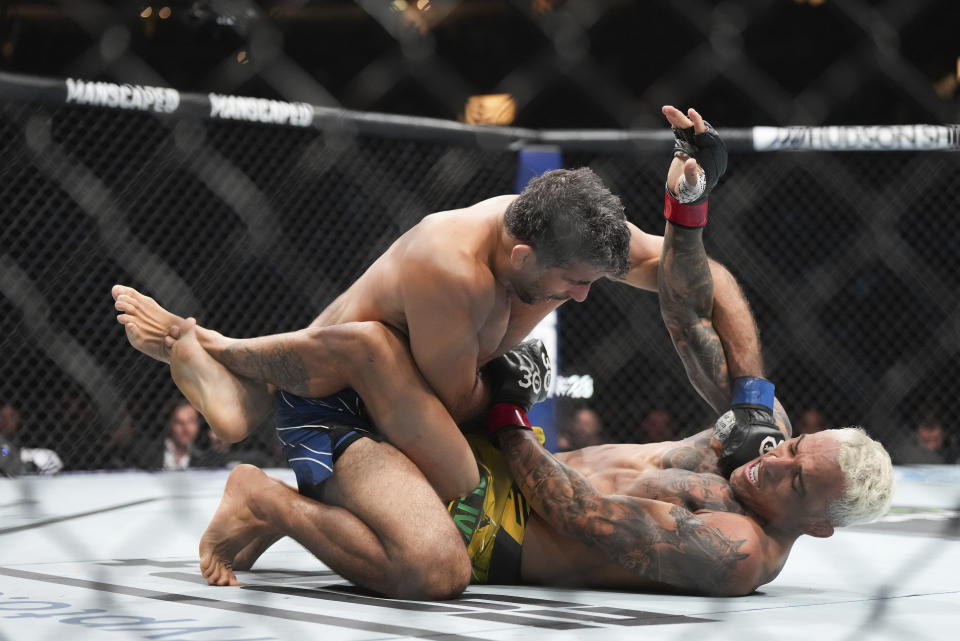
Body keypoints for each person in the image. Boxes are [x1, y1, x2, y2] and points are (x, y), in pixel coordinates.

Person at [114, 107, 778, 596]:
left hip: (422, 413)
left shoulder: (574, 239)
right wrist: (509, 394)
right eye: (574, 283)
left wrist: (748, 392)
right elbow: (449, 405)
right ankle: (265, 496)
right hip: (347, 412)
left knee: (549, 481)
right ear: (523, 256)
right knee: (436, 569)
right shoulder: (451, 271)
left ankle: (233, 385)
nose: (581, 298)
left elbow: (705, 283)